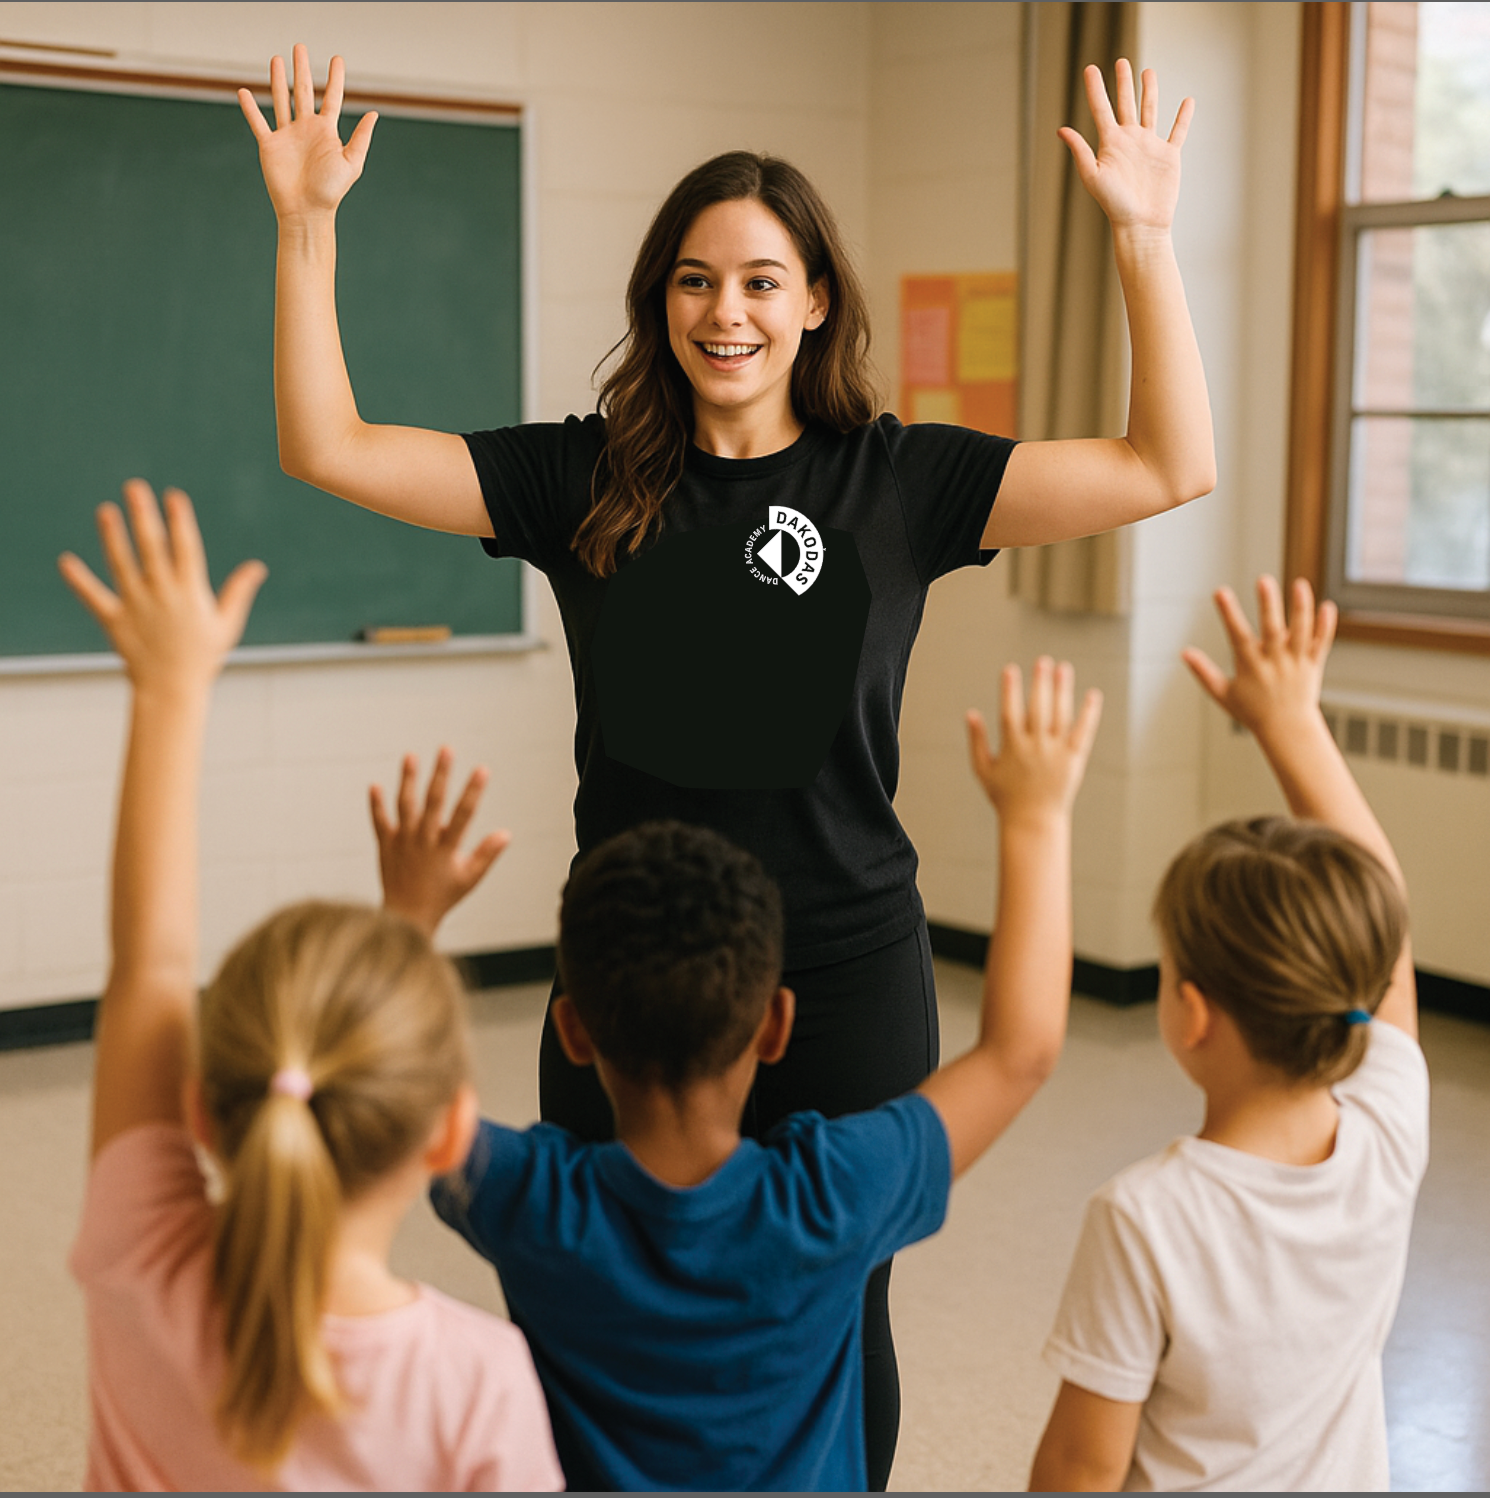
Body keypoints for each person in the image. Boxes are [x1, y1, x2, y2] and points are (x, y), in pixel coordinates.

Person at [239, 44, 1212, 1485]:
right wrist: (306, 223)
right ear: (661, 303)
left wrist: (1140, 235)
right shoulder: (582, 478)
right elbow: (326, 442)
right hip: (629, 967)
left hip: (843, 966)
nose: (727, 310)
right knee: (583, 1306)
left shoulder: (901, 478)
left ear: (815, 300)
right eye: (696, 279)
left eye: (761, 279)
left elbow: (1165, 464)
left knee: (838, 1306)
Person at [416, 656, 1101, 1490]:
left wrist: (410, 920)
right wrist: (1037, 820)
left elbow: (384, 1092)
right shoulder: (831, 1197)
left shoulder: (535, 1203)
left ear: (573, 1031)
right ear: (776, 1024)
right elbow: (1019, 1053)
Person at [61, 480, 562, 1491]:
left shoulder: (138, 1260)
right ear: (448, 1131)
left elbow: (148, 965)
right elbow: (154, 973)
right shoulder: (477, 1382)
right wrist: (407, 927)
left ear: (201, 1107)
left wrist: (168, 691)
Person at [1028, 577, 1426, 1493]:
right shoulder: (1387, 1132)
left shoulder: (1146, 1218)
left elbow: (1080, 1469)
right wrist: (1296, 726)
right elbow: (1388, 934)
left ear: (1191, 1011)